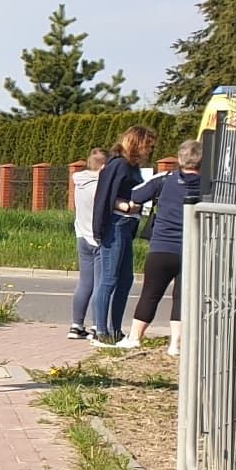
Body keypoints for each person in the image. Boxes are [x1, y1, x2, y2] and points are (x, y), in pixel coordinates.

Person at [111, 139, 202, 352]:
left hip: (162, 246)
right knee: (182, 296)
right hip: (193, 248)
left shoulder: (165, 179)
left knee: (150, 293)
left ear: (180, 158)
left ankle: (135, 337)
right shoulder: (210, 183)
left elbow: (136, 194)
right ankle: (176, 344)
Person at [87, 126, 155, 341]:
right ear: (137, 143)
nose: (150, 150)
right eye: (148, 145)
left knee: (125, 279)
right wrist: (124, 206)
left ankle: (115, 329)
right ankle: (101, 330)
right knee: (109, 278)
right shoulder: (118, 165)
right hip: (116, 224)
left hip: (128, 225)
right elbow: (105, 196)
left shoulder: (132, 167)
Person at [67, 148, 107, 341]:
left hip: (81, 235)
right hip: (98, 237)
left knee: (85, 282)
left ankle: (76, 325)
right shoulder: (99, 185)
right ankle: (97, 325)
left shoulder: (79, 182)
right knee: (100, 283)